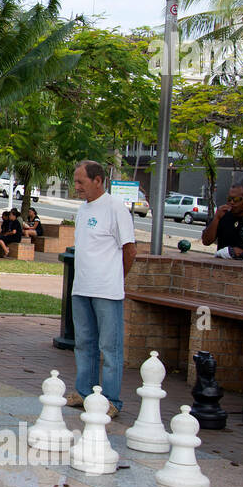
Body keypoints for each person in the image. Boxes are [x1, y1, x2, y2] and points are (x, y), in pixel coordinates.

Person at [68, 161, 136, 419]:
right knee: (84, 343)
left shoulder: (116, 208)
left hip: (107, 291)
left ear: (98, 181)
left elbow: (130, 250)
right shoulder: (82, 210)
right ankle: (84, 392)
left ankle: (111, 399)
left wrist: (117, 278)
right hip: (81, 288)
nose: (77, 187)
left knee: (110, 347)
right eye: (75, 182)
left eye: (80, 182)